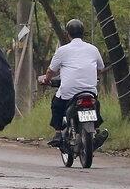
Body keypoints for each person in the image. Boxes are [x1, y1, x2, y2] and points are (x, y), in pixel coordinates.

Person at [39, 19, 104, 148]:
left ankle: (58, 133)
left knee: (56, 105)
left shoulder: (62, 51)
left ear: (67, 34)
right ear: (83, 33)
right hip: (90, 91)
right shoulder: (93, 49)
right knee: (95, 104)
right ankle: (95, 129)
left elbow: (51, 70)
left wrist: (46, 80)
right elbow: (100, 68)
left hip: (69, 92)